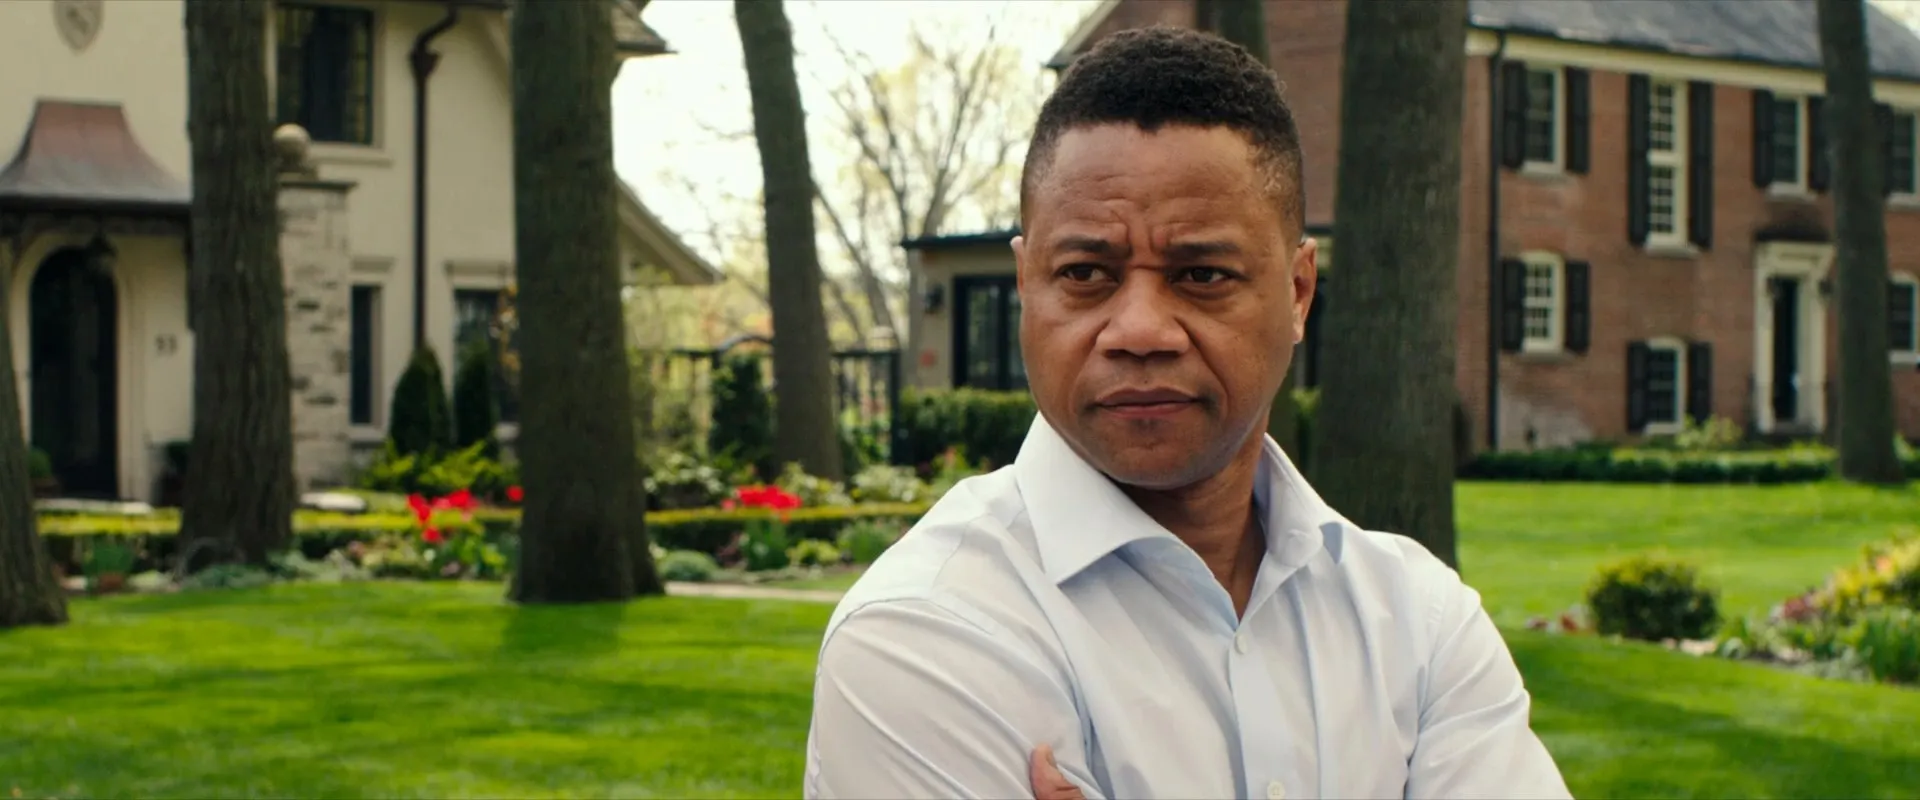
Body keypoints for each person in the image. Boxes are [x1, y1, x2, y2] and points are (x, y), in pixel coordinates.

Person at [803, 26, 1570, 800]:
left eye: (1201, 274)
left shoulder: (1418, 621)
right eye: (1086, 273)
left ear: (1297, 292)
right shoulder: (925, 632)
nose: (1140, 330)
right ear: (1027, 284)